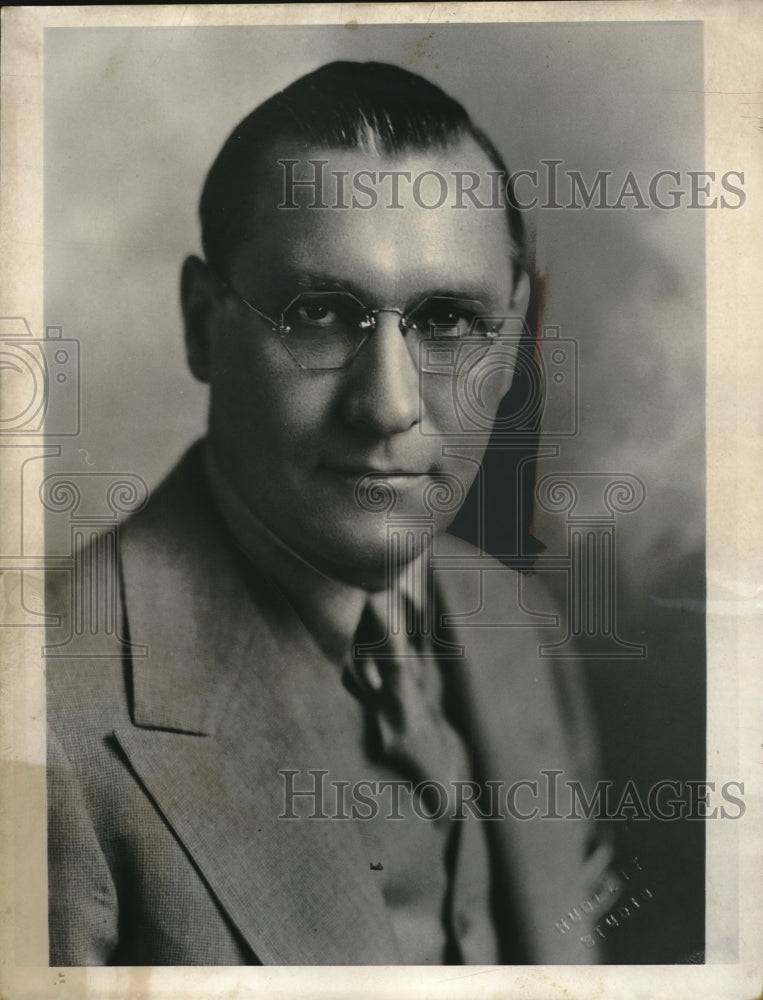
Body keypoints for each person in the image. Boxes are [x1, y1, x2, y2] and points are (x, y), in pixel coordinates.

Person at [46, 60, 618, 966]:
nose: (388, 405)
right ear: (203, 324)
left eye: (448, 322)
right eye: (318, 313)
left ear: (519, 337)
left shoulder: (516, 624)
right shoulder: (43, 725)